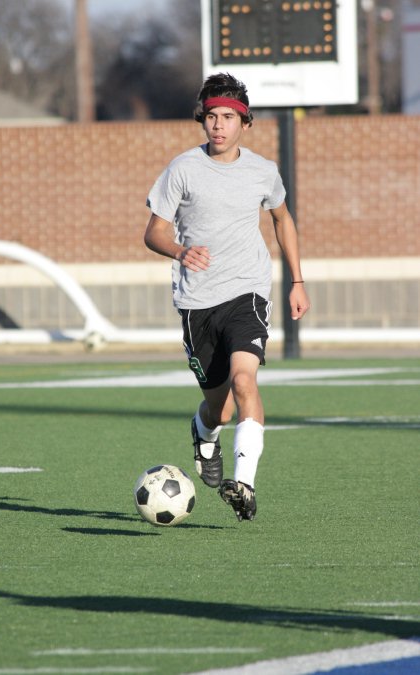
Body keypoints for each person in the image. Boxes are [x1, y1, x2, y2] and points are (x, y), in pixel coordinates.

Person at [144, 72, 310, 521]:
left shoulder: (262, 171)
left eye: (228, 117)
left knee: (245, 382)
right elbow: (154, 232)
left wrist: (297, 279)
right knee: (220, 406)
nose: (218, 125)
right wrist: (180, 251)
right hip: (197, 301)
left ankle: (245, 483)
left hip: (248, 292)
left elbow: (282, 219)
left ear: (245, 123)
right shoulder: (182, 169)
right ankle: (203, 432)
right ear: (203, 120)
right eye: (212, 116)